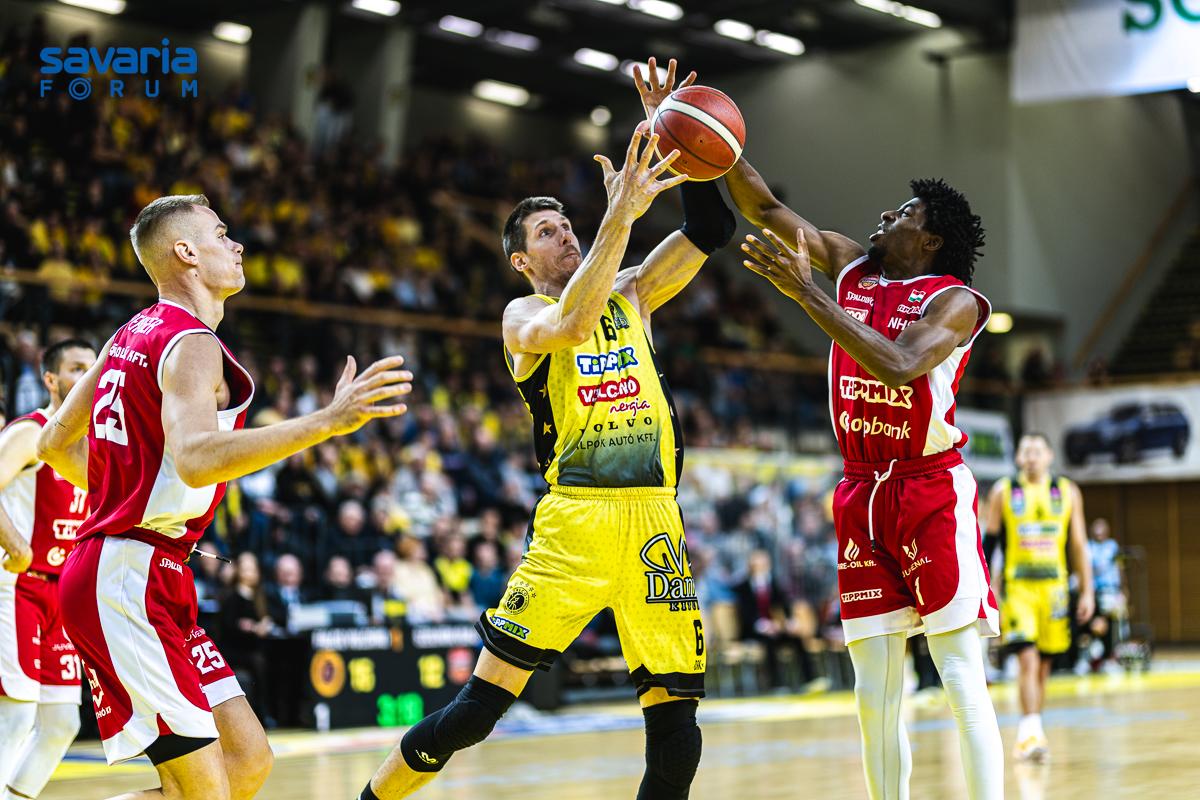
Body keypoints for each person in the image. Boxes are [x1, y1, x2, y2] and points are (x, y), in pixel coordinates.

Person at [358, 57, 733, 800]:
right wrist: (620, 217)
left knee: (676, 719)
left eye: (568, 225)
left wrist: (671, 132)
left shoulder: (633, 292)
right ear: (520, 260)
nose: (566, 236)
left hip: (655, 520)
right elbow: (572, 323)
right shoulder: (521, 316)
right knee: (477, 712)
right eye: (547, 232)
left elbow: (711, 227)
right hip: (576, 523)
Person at [37, 193, 413, 800]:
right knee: (202, 792)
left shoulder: (127, 335)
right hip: (126, 574)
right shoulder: (190, 343)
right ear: (186, 253)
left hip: (147, 570)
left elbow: (55, 443)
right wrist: (327, 422)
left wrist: (125, 492)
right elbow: (195, 459)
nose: (236, 245)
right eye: (220, 234)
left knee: (246, 761)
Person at [731, 158, 1004, 798]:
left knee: (960, 676)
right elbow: (763, 207)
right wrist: (704, 137)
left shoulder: (955, 301)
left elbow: (902, 364)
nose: (886, 215)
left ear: (930, 241)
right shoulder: (852, 266)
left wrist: (807, 296)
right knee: (872, 693)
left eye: (905, 213)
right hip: (859, 492)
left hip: (928, 489)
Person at [0, 338, 96, 800]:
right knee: (17, 714)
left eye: (93, 368)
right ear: (51, 380)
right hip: (18, 583)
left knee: (61, 723)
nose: (88, 377)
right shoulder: (29, 432)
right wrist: (14, 544)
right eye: (77, 368)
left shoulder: (95, 446)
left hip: (63, 594)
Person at [985, 433, 1094, 762]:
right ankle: (1029, 733)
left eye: (1037, 451)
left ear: (1049, 456)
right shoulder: (1004, 491)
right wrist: (986, 588)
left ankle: (1031, 730)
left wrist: (1087, 591)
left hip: (1055, 589)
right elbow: (988, 544)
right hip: (1018, 588)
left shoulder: (1067, 491)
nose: (1031, 457)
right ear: (1018, 458)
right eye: (1026, 451)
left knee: (1044, 666)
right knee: (1027, 659)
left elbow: (1079, 544)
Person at [1082, 517, 1124, 672]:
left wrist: (1124, 590)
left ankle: (1110, 658)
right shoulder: (1088, 547)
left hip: (1111, 591)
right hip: (1093, 593)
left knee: (1113, 625)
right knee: (1092, 624)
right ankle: (1088, 658)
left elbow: (1119, 569)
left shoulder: (1112, 546)